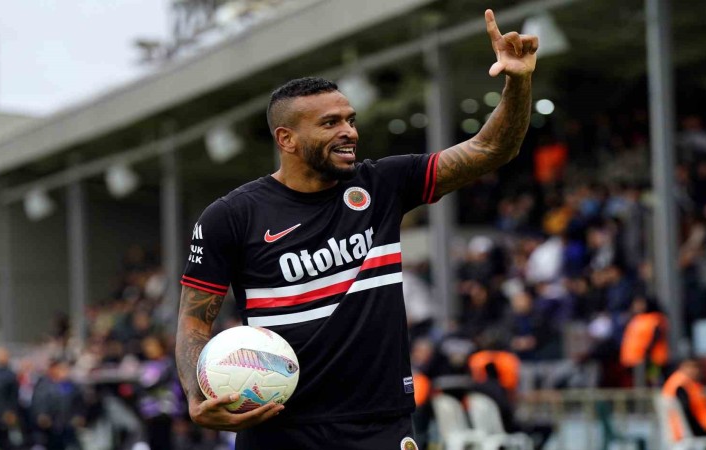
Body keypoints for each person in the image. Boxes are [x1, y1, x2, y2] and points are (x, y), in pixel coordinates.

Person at [175, 9, 538, 449]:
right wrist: (196, 396)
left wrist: (518, 82)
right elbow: (194, 321)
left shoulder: (383, 184)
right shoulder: (230, 216)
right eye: (330, 123)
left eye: (350, 120)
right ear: (286, 139)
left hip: (380, 424)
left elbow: (491, 148)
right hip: (278, 426)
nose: (348, 132)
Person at [662, 358, 706, 443]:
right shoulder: (681, 386)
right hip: (690, 429)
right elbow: (686, 412)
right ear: (682, 367)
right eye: (691, 367)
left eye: (696, 367)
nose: (695, 371)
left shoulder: (684, 383)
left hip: (687, 428)